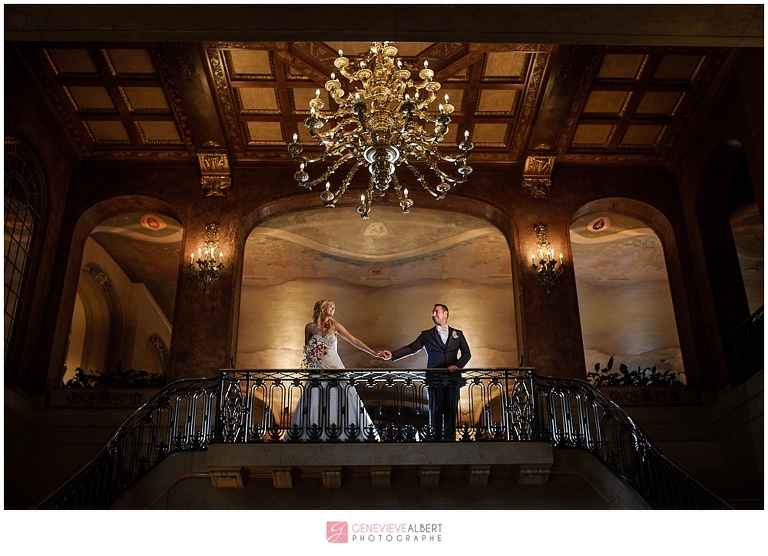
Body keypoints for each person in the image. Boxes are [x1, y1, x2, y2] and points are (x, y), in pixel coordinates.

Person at [290, 299, 383, 441]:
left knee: (342, 396)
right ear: (322, 309)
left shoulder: (335, 326)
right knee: (316, 397)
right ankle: (316, 433)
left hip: (334, 366)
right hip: (318, 368)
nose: (333, 309)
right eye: (330, 306)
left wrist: (373, 352)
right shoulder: (309, 327)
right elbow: (307, 350)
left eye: (333, 307)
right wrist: (312, 355)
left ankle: (347, 432)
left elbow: (354, 340)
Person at [381, 304, 471, 441]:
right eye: (432, 312)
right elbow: (412, 348)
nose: (433, 314)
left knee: (451, 411)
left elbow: (467, 354)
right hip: (434, 379)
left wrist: (457, 366)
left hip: (453, 379)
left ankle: (450, 442)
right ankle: (436, 443)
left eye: (436, 312)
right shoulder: (427, 335)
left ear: (446, 313)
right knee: (435, 410)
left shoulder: (458, 334)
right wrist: (392, 354)